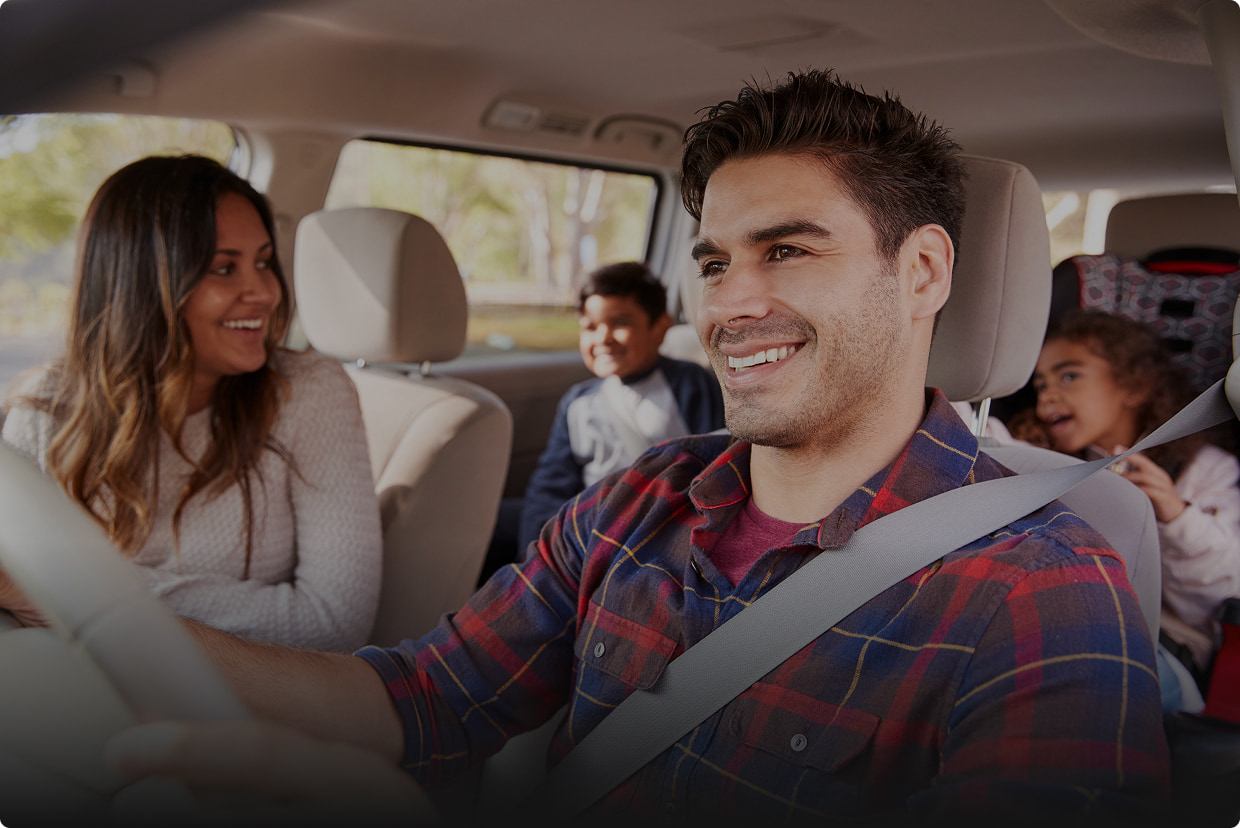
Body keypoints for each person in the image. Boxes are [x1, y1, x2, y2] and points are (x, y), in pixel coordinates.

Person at [103, 71, 1168, 823]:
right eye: (714, 262)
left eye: (789, 250)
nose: (731, 305)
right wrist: (109, 624)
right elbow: (422, 698)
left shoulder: (1039, 593)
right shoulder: (642, 500)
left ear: (923, 272)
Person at [0, 154, 382, 653]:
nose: (266, 292)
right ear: (140, 287)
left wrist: (78, 593)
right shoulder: (44, 413)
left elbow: (334, 624)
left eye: (263, 262)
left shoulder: (308, 392)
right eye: (225, 268)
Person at [1022, 309, 1240, 704]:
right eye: (1040, 385)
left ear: (1133, 386)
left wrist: (1175, 514)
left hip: (1164, 643)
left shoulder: (1204, 470)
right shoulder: (1043, 462)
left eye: (1069, 376)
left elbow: (1223, 592)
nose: (1047, 395)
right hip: (1060, 619)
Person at [517, 261, 724, 552]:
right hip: (589, 525)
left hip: (661, 525)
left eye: (620, 323)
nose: (603, 338)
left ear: (660, 328)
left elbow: (715, 464)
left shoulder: (689, 383)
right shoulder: (577, 401)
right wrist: (535, 548)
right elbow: (550, 484)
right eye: (590, 327)